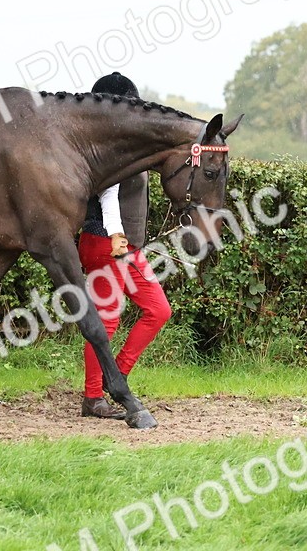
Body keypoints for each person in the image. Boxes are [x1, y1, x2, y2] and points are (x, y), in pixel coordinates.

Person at [78, 72, 173, 419]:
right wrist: (117, 239)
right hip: (106, 241)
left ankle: (114, 376)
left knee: (159, 310)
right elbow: (108, 195)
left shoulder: (126, 143)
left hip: (128, 245)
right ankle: (93, 398)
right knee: (106, 322)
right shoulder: (105, 149)